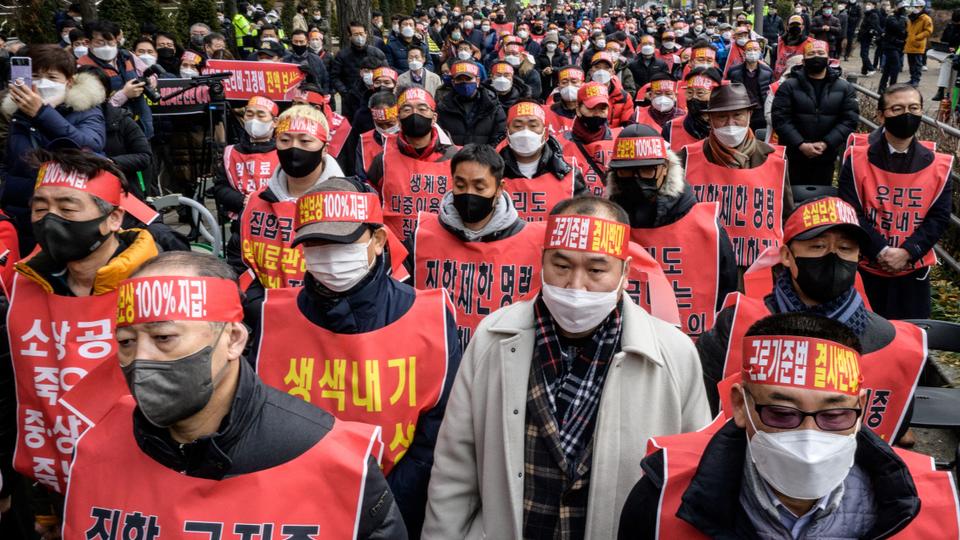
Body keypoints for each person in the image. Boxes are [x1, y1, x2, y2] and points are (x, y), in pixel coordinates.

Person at [61, 251, 408, 539]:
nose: (141, 358)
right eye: (126, 342)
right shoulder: (95, 449)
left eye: (164, 337)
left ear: (233, 339)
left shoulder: (330, 459)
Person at [422, 196, 711, 540]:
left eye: (596, 270)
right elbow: (455, 466)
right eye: (561, 266)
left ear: (625, 271)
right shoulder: (490, 338)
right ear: (541, 262)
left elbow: (692, 482)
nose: (576, 286)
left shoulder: (674, 355)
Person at [619, 312, 958, 538]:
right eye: (782, 414)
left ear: (862, 407)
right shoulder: (662, 499)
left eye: (834, 415)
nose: (809, 438)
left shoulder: (934, 509)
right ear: (740, 405)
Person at [250, 179, 459, 538]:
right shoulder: (269, 318)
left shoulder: (431, 317)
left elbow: (439, 431)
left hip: (398, 505)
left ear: (378, 241)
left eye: (342, 241)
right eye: (315, 243)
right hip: (298, 510)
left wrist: (383, 505)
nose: (328, 255)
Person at [2, 150, 165, 536]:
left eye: (68, 206)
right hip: (54, 480)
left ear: (113, 217)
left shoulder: (160, 282)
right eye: (40, 207)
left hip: (144, 490)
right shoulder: (23, 282)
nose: (49, 218)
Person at [697, 195, 926, 439]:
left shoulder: (890, 344)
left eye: (845, 248)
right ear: (786, 256)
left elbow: (894, 422)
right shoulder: (734, 328)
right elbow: (703, 408)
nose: (833, 256)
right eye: (818, 246)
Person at [607, 124, 738, 338]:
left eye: (647, 170)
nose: (637, 178)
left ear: (665, 168)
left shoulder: (707, 227)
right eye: (627, 170)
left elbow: (728, 294)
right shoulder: (605, 225)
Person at [838, 84, 953, 320]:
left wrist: (907, 252)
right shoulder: (856, 159)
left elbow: (939, 218)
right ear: (881, 115)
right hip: (865, 267)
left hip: (913, 272)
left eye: (913, 108)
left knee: (910, 339)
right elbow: (850, 211)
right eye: (897, 109)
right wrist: (880, 250)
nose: (906, 115)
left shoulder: (940, 166)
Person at [411, 144, 544, 346]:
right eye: (460, 185)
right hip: (439, 357)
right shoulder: (421, 235)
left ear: (499, 189)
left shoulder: (534, 241)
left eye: (480, 187)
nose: (469, 194)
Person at [2, 44, 106, 255]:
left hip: (71, 214)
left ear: (68, 82)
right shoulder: (18, 115)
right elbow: (10, 159)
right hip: (24, 212)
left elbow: (89, 146)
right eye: (36, 76)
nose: (43, 83)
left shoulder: (86, 110)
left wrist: (43, 113)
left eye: (52, 77)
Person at [231, 105, 344, 294]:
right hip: (266, 313)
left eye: (305, 141)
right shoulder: (255, 201)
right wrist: (258, 305)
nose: (294, 148)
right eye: (285, 140)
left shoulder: (347, 201)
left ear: (324, 148)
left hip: (327, 316)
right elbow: (238, 261)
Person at [682, 83, 791, 271]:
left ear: (749, 115)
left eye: (737, 115)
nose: (730, 124)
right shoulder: (686, 158)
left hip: (760, 269)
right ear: (710, 119)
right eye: (722, 117)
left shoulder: (773, 158)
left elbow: (786, 216)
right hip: (704, 265)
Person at [368, 87, 459, 241]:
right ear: (398, 118)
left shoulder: (455, 157)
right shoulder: (382, 160)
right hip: (395, 249)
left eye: (422, 108)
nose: (414, 114)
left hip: (441, 245)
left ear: (434, 117)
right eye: (407, 109)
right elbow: (372, 204)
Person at [772, 39, 859, 186]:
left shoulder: (844, 88)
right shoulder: (788, 86)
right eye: (811, 53)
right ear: (804, 60)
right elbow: (780, 118)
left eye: (820, 53)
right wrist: (800, 144)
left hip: (826, 157)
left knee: (821, 202)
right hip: (794, 155)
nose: (816, 56)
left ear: (828, 59)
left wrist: (826, 143)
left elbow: (849, 120)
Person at [498, 101, 584, 222]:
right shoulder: (493, 171)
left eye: (533, 126)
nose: (525, 132)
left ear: (545, 133)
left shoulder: (569, 172)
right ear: (507, 132)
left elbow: (585, 214)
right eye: (517, 126)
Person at [78, 20, 153, 138]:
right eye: (100, 42)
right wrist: (124, 94)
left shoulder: (126, 56)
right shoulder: (82, 67)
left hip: (141, 123)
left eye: (110, 42)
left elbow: (148, 72)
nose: (106, 47)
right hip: (112, 130)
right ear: (88, 42)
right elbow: (90, 107)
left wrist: (152, 79)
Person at [212, 96, 280, 220]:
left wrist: (259, 200)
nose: (254, 120)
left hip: (275, 218)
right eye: (249, 114)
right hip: (240, 220)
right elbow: (220, 188)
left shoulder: (282, 152)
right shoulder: (231, 152)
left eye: (261, 115)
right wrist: (242, 201)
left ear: (275, 122)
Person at [560, 81, 621, 197]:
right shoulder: (559, 144)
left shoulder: (620, 139)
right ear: (578, 109)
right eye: (591, 108)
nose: (597, 114)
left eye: (602, 109)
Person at [436, 60, 506, 146]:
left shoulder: (493, 106)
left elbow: (499, 137)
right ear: (453, 83)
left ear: (477, 81)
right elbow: (440, 137)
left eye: (468, 78)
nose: (464, 82)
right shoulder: (443, 107)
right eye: (459, 79)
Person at [330, 21, 387, 115]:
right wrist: (345, 92)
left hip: (375, 98)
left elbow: (386, 73)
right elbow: (334, 77)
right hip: (350, 101)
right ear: (350, 36)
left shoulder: (377, 53)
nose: (359, 37)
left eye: (361, 33)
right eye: (356, 34)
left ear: (366, 34)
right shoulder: (342, 55)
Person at [661, 67, 722, 152]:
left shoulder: (728, 127)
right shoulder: (671, 128)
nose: (694, 97)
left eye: (700, 93)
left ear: (716, 94)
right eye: (689, 92)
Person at [726, 40, 773, 133]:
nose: (752, 52)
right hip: (741, 110)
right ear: (744, 53)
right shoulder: (733, 72)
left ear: (760, 52)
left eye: (755, 50)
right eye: (749, 50)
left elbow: (770, 93)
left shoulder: (767, 72)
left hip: (760, 112)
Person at [587, 52, 635, 128]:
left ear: (612, 72)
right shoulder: (583, 94)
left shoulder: (624, 97)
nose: (601, 71)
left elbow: (628, 126)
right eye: (597, 67)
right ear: (591, 72)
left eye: (606, 68)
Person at [283, 29, 330, 94]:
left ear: (307, 43)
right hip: (291, 97)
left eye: (301, 42)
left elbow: (325, 80)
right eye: (295, 42)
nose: (298, 44)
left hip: (312, 97)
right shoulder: (285, 61)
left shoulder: (316, 59)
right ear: (291, 43)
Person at [878, 1, 909, 93]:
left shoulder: (902, 18)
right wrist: (903, 18)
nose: (904, 10)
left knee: (887, 68)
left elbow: (905, 31)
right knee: (896, 66)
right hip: (890, 46)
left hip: (898, 45)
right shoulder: (891, 17)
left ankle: (882, 88)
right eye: (902, 8)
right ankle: (893, 88)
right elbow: (898, 28)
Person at [544, 66, 584, 134]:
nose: (569, 85)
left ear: (583, 84)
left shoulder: (590, 111)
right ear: (558, 86)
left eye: (574, 82)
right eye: (564, 82)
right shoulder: (550, 110)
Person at [774, 15, 814, 79]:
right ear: (787, 27)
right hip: (779, 78)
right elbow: (774, 59)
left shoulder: (810, 43)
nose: (795, 27)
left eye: (798, 25)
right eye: (792, 25)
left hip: (798, 78)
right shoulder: (780, 41)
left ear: (802, 27)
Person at [905, 0, 932, 87]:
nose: (915, 9)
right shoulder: (911, 17)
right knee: (911, 63)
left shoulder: (926, 18)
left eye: (917, 7)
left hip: (918, 44)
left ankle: (916, 80)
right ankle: (912, 79)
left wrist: (917, 37)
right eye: (914, 7)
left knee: (917, 64)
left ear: (922, 7)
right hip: (910, 44)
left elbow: (928, 31)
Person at [536, 32, 565, 100]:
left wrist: (553, 69)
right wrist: (543, 72)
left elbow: (565, 68)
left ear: (557, 44)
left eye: (553, 43)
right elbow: (536, 69)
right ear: (545, 44)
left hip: (558, 85)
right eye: (549, 43)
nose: (551, 45)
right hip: (544, 86)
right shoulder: (540, 56)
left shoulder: (562, 55)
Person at [859, 1, 882, 76]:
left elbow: (875, 26)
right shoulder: (867, 14)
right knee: (864, 53)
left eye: (869, 4)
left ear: (874, 6)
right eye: (867, 4)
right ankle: (864, 71)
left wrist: (874, 33)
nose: (867, 6)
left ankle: (871, 68)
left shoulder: (873, 15)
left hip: (867, 36)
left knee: (863, 54)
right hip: (863, 36)